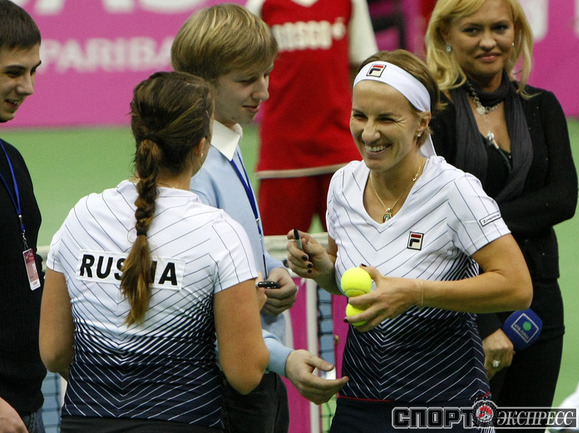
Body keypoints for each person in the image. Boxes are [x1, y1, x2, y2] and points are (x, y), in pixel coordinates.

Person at [286, 49, 533, 433]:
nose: (369, 133)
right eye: (360, 115)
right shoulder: (343, 185)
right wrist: (324, 271)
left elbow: (517, 287)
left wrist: (415, 293)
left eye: (387, 119)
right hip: (359, 399)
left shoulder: (456, 190)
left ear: (422, 122)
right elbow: (356, 284)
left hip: (444, 402)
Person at [39, 71, 269, 432]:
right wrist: (245, 314)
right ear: (201, 146)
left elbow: (54, 352)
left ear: (138, 135)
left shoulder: (82, 217)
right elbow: (245, 374)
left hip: (86, 420)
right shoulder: (220, 233)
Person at [171, 4, 349, 432]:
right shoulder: (197, 173)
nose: (264, 92)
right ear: (203, 84)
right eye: (247, 80)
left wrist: (270, 269)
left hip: (255, 370)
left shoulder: (226, 146)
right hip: (227, 386)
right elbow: (208, 310)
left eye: (267, 75)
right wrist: (284, 359)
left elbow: (239, 253)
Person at [425, 0, 578, 421]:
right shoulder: (434, 114)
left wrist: (475, 221)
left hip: (539, 299)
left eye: (499, 28)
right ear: (445, 35)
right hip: (464, 304)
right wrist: (487, 325)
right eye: (473, 30)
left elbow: (562, 198)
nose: (489, 42)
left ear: (516, 32)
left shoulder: (542, 105)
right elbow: (436, 219)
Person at [245, 0, 378, 235]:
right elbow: (243, 67)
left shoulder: (350, 2)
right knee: (277, 251)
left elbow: (364, 66)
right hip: (282, 157)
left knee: (359, 246)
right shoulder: (261, 4)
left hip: (340, 151)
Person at [0, 2, 45, 432]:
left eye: (33, 71)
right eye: (14, 72)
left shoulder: (11, 159)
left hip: (27, 404)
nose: (28, 87)